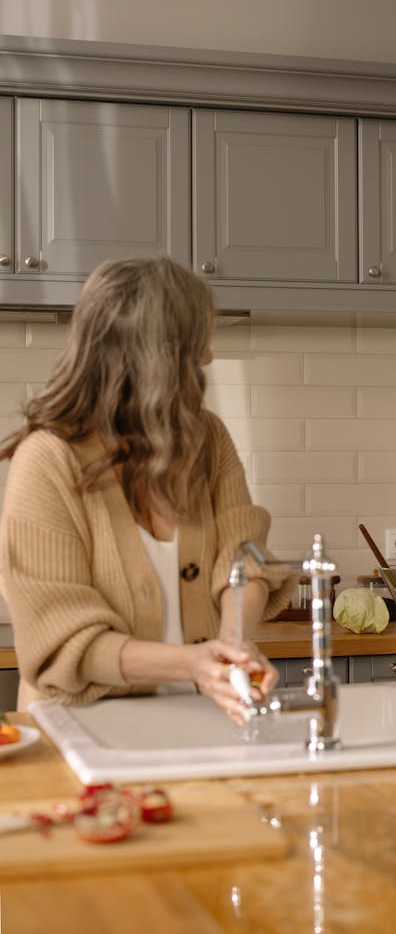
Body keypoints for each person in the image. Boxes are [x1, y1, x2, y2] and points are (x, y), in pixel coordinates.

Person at [0, 257, 297, 723]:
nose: (208, 359)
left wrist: (233, 645)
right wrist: (192, 663)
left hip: (197, 721)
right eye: (197, 344)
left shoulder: (207, 439)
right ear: (159, 356)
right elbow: (59, 636)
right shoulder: (47, 458)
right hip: (78, 732)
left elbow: (244, 558)